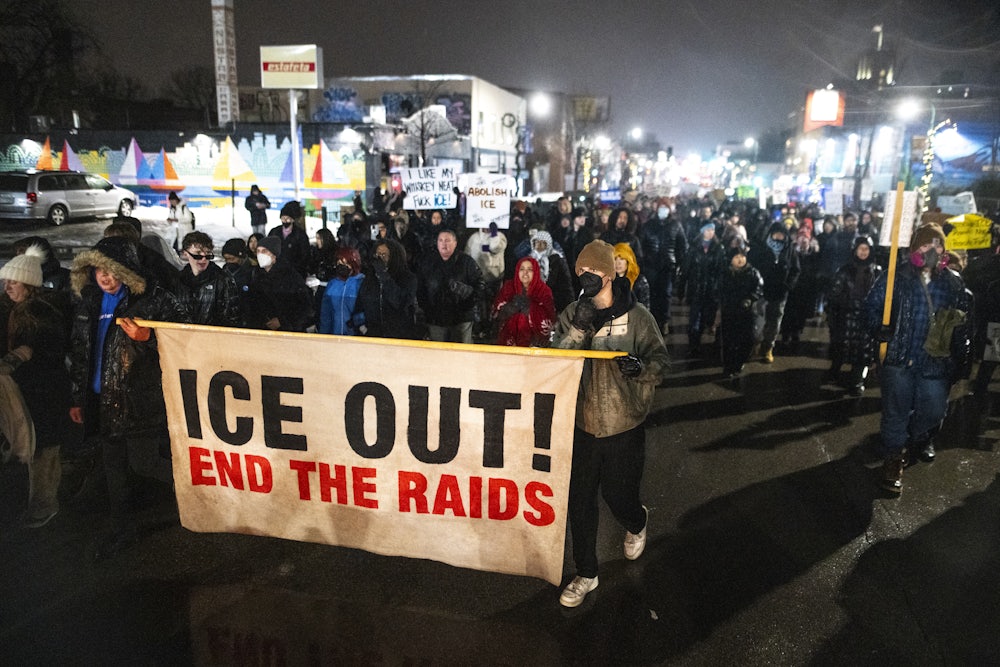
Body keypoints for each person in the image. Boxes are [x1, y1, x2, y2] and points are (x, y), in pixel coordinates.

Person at [552, 240, 669, 607]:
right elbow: (555, 362)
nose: (583, 279)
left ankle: (636, 522)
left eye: (590, 273)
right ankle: (586, 572)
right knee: (581, 502)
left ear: (607, 274)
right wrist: (577, 331)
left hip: (624, 427)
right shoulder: (574, 312)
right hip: (582, 427)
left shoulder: (637, 317)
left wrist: (641, 368)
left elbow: (661, 361)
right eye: (579, 273)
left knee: (619, 498)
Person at [68, 237, 190, 558]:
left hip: (139, 402)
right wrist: (79, 399)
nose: (105, 278)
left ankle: (197, 495)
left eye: (111, 271)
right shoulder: (90, 303)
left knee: (145, 463)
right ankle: (122, 531)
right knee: (114, 470)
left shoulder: (152, 300)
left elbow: (186, 338)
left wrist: (150, 337)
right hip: (101, 401)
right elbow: (82, 352)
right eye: (98, 271)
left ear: (126, 271)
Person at [865, 223, 972, 493]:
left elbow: (963, 322)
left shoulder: (952, 282)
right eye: (927, 244)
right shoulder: (894, 277)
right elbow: (871, 307)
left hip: (935, 363)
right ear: (915, 248)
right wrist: (880, 327)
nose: (932, 250)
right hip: (900, 359)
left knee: (934, 411)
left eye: (938, 245)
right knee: (895, 412)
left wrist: (962, 357)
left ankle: (915, 437)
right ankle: (893, 458)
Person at [0, 247, 73, 527]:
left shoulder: (40, 314)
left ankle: (44, 506)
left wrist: (12, 361)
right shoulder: (15, 308)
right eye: (6, 281)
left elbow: (37, 349)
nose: (8, 287)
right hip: (27, 391)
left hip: (45, 392)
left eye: (14, 282)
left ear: (29, 284)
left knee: (44, 450)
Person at [827, 236, 882, 396]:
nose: (863, 252)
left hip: (867, 317)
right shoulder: (845, 270)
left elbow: (881, 295)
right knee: (841, 347)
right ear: (855, 250)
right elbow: (834, 293)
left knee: (863, 350)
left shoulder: (877, 272)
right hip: (846, 316)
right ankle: (834, 371)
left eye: (866, 249)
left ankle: (857, 380)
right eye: (860, 248)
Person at [416, 228, 484, 344]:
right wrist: (426, 308)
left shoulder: (467, 262)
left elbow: (480, 285)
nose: (444, 244)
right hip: (436, 319)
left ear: (455, 243)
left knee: (461, 354)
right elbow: (420, 288)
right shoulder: (428, 262)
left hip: (461, 319)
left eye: (447, 240)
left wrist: (468, 301)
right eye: (440, 240)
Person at [748, 222, 800, 363]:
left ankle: (767, 348)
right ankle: (755, 344)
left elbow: (795, 270)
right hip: (762, 292)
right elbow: (751, 268)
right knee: (757, 321)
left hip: (780, 293)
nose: (778, 237)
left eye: (781, 234)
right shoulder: (761, 248)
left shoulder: (790, 250)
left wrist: (788, 285)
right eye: (776, 233)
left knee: (774, 322)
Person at [245, 236, 314, 333]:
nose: (260, 255)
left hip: (287, 333)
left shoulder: (290, 276)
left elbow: (304, 307)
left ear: (274, 254)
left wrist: (282, 321)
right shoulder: (255, 275)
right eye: (258, 251)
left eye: (264, 251)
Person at [355, 239, 421, 339]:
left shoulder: (408, 278)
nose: (379, 259)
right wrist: (362, 327)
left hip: (398, 336)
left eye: (384, 255)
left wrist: (384, 276)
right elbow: (360, 304)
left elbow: (400, 302)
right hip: (373, 335)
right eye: (377, 255)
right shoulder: (369, 278)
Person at [176, 231, 242, 327]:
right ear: (185, 254)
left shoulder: (223, 280)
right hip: (185, 338)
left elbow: (232, 317)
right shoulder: (179, 280)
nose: (203, 259)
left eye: (208, 255)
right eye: (197, 254)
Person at [679, 221, 726, 356]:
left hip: (712, 290)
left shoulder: (719, 248)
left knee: (707, 317)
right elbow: (686, 270)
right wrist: (682, 289)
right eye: (707, 230)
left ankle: (705, 337)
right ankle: (694, 345)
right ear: (702, 231)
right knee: (695, 319)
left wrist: (719, 288)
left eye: (712, 230)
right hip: (696, 289)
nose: (710, 232)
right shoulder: (693, 247)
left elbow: (721, 271)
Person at [719, 243, 764, 378]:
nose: (740, 260)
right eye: (737, 257)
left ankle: (739, 362)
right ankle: (728, 366)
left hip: (747, 312)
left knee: (747, 339)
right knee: (729, 340)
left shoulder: (753, 272)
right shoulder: (726, 272)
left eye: (742, 256)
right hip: (729, 311)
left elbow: (759, 288)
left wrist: (750, 299)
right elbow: (719, 289)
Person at [491, 256, 555, 347]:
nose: (525, 273)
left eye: (530, 269)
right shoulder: (508, 287)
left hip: (534, 341)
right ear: (517, 271)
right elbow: (496, 311)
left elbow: (550, 315)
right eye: (522, 269)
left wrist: (530, 308)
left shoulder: (543, 290)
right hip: (508, 340)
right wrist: (511, 307)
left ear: (536, 272)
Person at [318, 247, 365, 336]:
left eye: (345, 263)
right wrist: (323, 335)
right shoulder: (332, 284)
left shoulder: (362, 283)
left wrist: (356, 321)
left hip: (356, 336)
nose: (341, 266)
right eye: (338, 263)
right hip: (335, 335)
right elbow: (325, 314)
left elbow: (368, 311)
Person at [528, 231, 575, 314]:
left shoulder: (556, 259)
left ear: (548, 245)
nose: (539, 245)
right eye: (537, 242)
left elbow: (561, 284)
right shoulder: (531, 258)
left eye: (543, 243)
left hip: (557, 301)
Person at [267, 201, 311, 278]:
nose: (285, 221)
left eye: (288, 219)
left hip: (295, 271)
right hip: (277, 271)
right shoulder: (274, 232)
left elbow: (305, 254)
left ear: (293, 220)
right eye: (283, 218)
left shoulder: (300, 234)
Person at [613, 243, 650, 310]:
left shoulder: (639, 280)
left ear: (628, 261)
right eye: (615, 259)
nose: (618, 263)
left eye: (622, 259)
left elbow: (645, 308)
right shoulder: (610, 280)